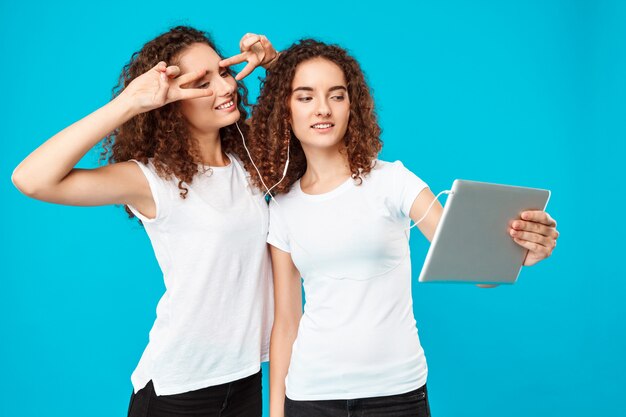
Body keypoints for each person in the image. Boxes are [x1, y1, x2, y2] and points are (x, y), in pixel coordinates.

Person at [247, 39, 560, 417]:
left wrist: (518, 254)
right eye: (305, 97)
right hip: (310, 395)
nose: (323, 109)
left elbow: (468, 262)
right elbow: (286, 324)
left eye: (336, 95)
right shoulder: (282, 208)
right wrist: (277, 412)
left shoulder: (393, 180)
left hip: (396, 394)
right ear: (286, 109)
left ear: (352, 106)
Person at [12, 26, 278, 417]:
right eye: (202, 83)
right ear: (172, 100)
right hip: (179, 391)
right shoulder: (153, 180)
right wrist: (130, 103)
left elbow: (323, 120)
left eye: (222, 73)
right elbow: (30, 179)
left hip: (245, 379)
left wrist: (275, 64)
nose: (225, 89)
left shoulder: (249, 159)